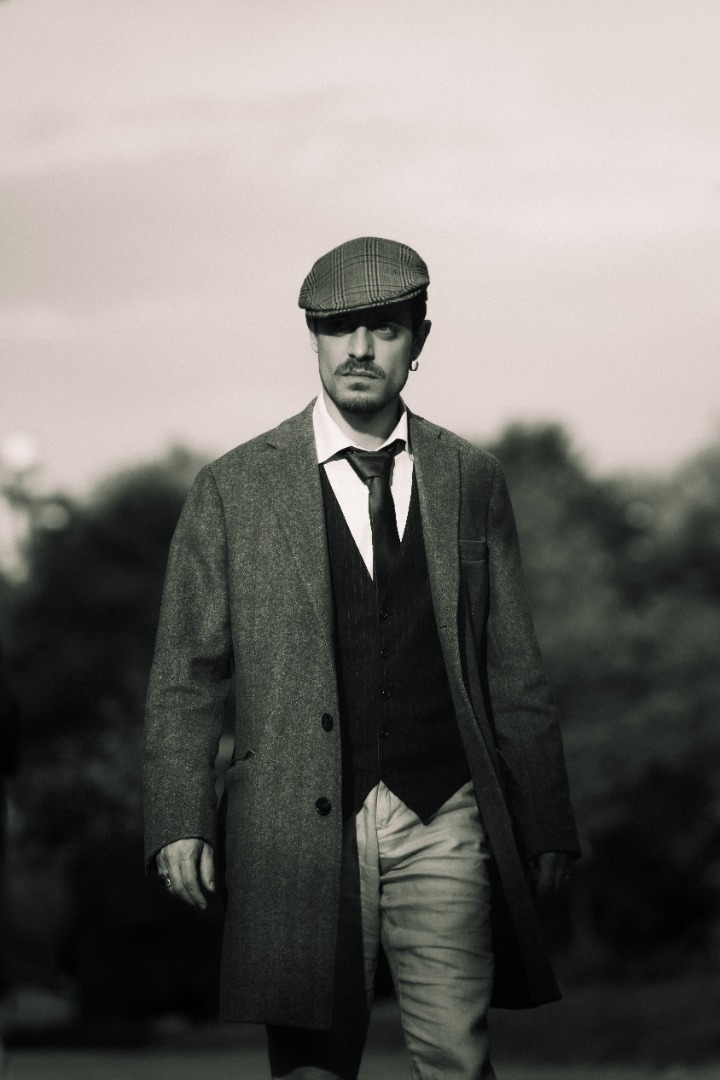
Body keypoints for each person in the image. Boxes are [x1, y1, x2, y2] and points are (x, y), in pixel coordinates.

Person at [144, 236, 580, 1080]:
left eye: (384, 329)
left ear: (420, 339)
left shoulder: (473, 478)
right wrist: (179, 815)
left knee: (458, 1056)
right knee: (312, 1066)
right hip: (290, 823)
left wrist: (545, 815)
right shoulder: (234, 487)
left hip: (444, 808)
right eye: (339, 328)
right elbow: (186, 674)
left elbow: (513, 666)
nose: (359, 349)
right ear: (312, 337)